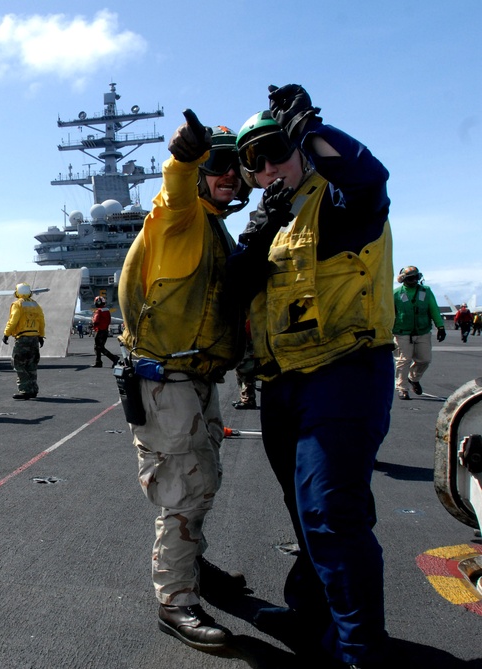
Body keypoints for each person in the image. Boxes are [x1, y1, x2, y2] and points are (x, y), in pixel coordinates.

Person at [228, 85, 394, 668]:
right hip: (283, 385)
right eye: (255, 161)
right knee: (305, 513)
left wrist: (312, 131)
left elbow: (370, 180)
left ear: (298, 148)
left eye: (276, 150)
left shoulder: (339, 200)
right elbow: (236, 291)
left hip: (343, 373)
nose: (268, 167)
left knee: (330, 512)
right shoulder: (270, 220)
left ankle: (360, 652)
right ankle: (313, 614)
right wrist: (256, 235)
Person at [117, 111, 251, 652]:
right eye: (217, 165)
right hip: (166, 380)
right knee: (183, 490)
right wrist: (181, 158)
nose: (230, 176)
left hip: (197, 378)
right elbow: (172, 193)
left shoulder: (216, 228)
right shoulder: (181, 217)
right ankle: (176, 600)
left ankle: (190, 563)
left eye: (236, 168)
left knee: (204, 478)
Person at [392, 266, 445, 400]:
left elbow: (433, 308)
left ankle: (413, 378)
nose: (414, 280)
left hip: (423, 331)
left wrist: (440, 326)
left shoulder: (426, 291)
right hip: (402, 332)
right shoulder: (396, 294)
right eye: (411, 278)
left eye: (416, 277)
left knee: (425, 359)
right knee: (403, 361)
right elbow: (389, 314)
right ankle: (402, 388)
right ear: (403, 279)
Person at [2, 283, 45, 400]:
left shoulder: (17, 304)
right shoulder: (35, 304)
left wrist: (6, 333)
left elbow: (13, 320)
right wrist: (41, 335)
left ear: (17, 292)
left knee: (18, 363)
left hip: (22, 338)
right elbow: (41, 320)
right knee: (32, 364)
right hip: (34, 337)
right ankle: (33, 389)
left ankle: (25, 390)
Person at [233, 320, 258, 409]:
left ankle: (248, 400)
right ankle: (245, 399)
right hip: (246, 338)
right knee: (241, 370)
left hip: (248, 339)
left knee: (245, 370)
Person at [90, 296, 120, 368]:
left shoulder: (98, 311)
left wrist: (92, 321)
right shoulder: (107, 311)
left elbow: (95, 321)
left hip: (99, 331)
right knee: (99, 347)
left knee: (99, 347)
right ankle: (98, 362)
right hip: (105, 331)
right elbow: (108, 321)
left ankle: (114, 358)